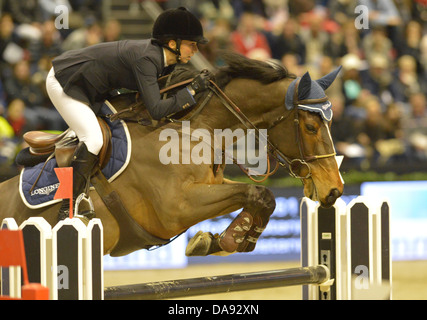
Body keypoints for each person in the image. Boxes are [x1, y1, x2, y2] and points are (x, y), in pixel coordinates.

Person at [45, 7, 210, 221]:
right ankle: (68, 205)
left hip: (93, 87)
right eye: (192, 44)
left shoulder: (165, 62)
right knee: (93, 139)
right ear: (172, 44)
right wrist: (191, 91)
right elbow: (157, 109)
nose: (196, 50)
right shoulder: (148, 59)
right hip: (65, 80)